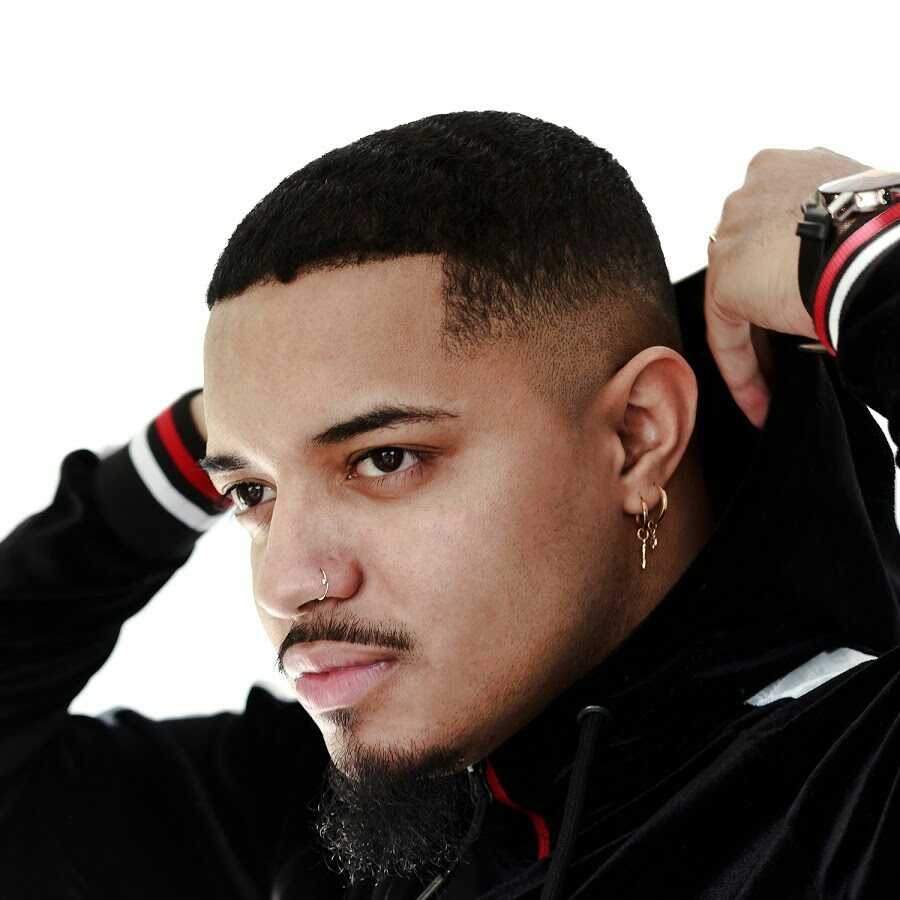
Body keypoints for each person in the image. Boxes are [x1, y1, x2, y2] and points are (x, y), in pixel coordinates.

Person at [1, 112, 898, 900]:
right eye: (250, 491)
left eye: (384, 458)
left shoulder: (853, 785)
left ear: (637, 435)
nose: (285, 581)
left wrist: (862, 242)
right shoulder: (358, 823)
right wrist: (188, 452)